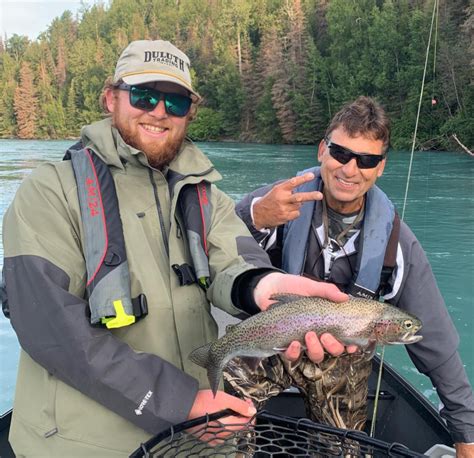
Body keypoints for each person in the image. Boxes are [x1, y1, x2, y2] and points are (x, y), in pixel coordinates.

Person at [1, 40, 350, 456]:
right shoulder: (48, 191)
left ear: (190, 112)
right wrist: (182, 404)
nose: (159, 110)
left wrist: (269, 288)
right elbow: (49, 326)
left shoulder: (208, 197)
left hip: (193, 440)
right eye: (144, 94)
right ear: (111, 98)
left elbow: (237, 262)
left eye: (176, 101)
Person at [234, 96, 474, 456]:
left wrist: (465, 434)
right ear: (322, 150)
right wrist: (252, 215)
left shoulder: (397, 245)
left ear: (380, 167)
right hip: (270, 338)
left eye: (366, 160)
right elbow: (216, 241)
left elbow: (438, 346)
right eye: (341, 153)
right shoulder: (276, 202)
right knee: (222, 419)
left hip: (341, 360)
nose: (350, 169)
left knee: (344, 451)